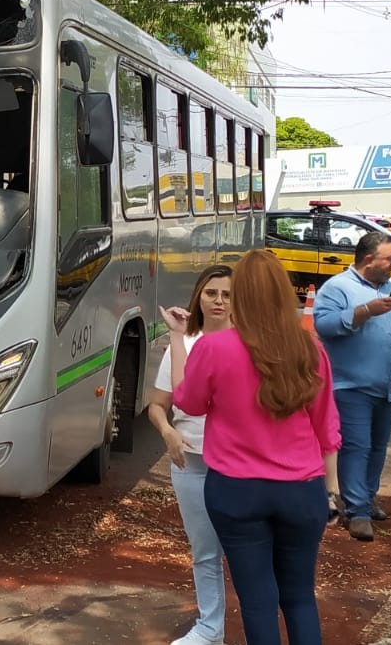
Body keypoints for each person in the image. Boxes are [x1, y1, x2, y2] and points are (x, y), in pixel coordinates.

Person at [168, 250, 341, 645]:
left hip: (236, 489)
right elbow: (327, 427)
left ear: (240, 295)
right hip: (301, 489)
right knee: (299, 597)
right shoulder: (309, 349)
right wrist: (332, 491)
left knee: (258, 600)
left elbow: (189, 403)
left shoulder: (215, 348)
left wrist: (180, 341)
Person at [312, 232, 391, 542]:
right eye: (388, 259)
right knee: (356, 446)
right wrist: (364, 312)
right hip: (352, 385)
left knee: (378, 445)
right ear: (367, 260)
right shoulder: (337, 288)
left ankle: (367, 497)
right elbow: (324, 326)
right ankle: (357, 510)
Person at [148, 265, 233, 645]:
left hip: (238, 466)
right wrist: (168, 433)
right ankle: (210, 627)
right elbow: (158, 405)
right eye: (212, 293)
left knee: (249, 551)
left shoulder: (248, 343)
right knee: (205, 551)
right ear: (199, 295)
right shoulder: (183, 343)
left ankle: (263, 620)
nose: (219, 301)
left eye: (227, 295)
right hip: (191, 464)